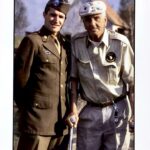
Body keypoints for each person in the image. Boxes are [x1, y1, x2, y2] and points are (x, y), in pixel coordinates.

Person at [68, 0, 134, 150]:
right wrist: (73, 108)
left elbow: (133, 81)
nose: (92, 23)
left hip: (117, 109)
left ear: (105, 19)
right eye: (87, 19)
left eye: (96, 18)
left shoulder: (120, 43)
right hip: (90, 112)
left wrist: (136, 112)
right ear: (83, 22)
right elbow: (74, 79)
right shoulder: (76, 43)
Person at [14, 0, 71, 150]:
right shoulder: (33, 41)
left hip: (61, 124)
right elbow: (19, 83)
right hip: (37, 123)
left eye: (61, 16)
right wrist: (29, 113)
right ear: (44, 14)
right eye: (52, 15)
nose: (56, 20)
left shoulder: (65, 44)